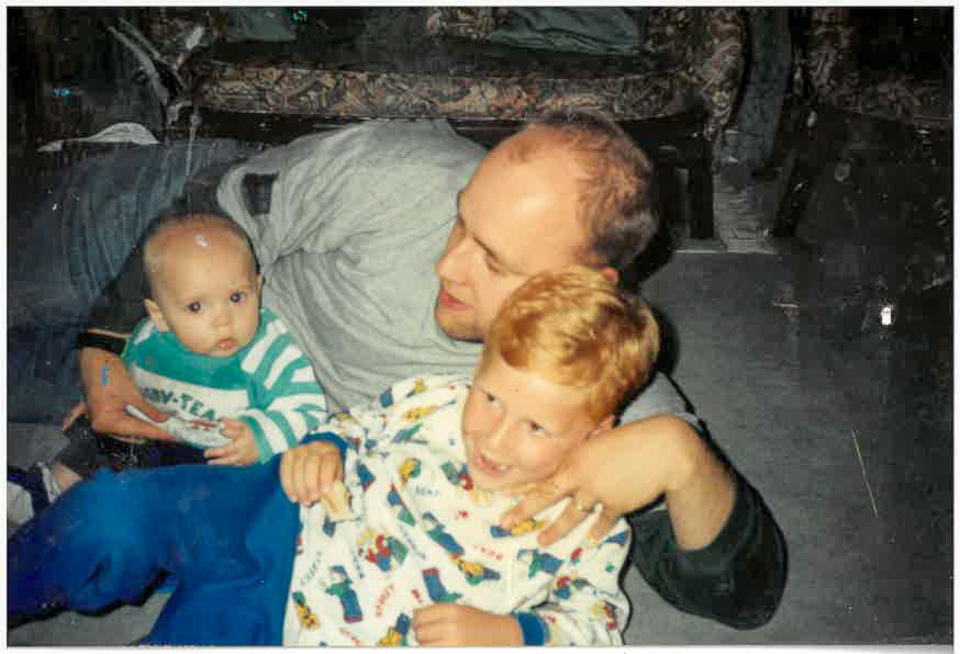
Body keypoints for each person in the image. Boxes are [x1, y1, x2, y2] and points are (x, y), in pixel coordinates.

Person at [8, 112, 785, 632]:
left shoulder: (598, 383)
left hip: (242, 430)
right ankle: (104, 144)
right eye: (462, 219)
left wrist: (681, 459)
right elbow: (214, 207)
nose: (445, 263)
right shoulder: (394, 168)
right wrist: (105, 347)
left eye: (494, 260)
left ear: (588, 290)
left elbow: (746, 595)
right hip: (212, 270)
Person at [10, 266, 661, 646]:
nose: (493, 437)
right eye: (490, 396)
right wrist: (326, 443)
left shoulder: (591, 520)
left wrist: (517, 634)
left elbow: (597, 622)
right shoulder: (437, 398)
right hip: (271, 508)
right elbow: (358, 420)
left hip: (289, 619)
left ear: (597, 431)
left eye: (537, 428)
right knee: (106, 515)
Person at [8, 212, 329, 523]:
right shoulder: (149, 338)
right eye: (196, 306)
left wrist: (261, 436)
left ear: (257, 289)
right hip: (153, 431)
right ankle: (50, 490)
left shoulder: (269, 349)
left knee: (210, 500)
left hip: (215, 459)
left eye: (236, 297)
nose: (223, 319)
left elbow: (307, 406)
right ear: (160, 315)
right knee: (100, 442)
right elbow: (122, 379)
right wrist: (98, 396)